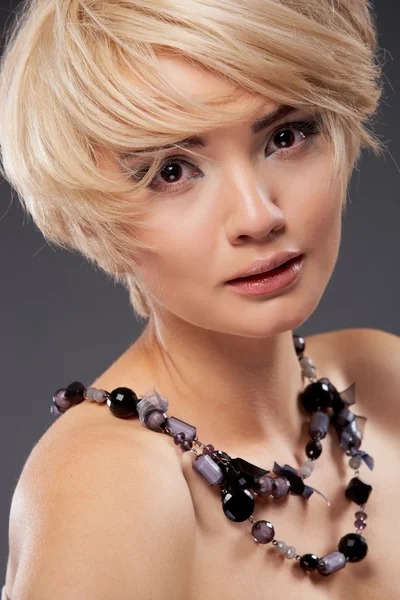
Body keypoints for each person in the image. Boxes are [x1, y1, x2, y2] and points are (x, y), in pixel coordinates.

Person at [1, 0, 399, 598]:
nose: (258, 217)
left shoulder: (382, 374)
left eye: (285, 136)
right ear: (93, 214)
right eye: (171, 170)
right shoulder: (107, 486)